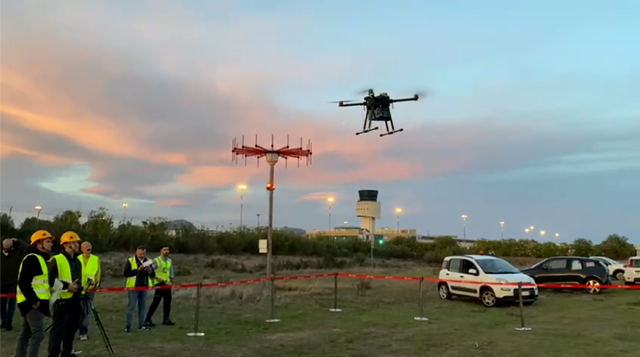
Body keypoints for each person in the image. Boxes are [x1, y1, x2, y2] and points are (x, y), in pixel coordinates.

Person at [14, 230, 54, 357]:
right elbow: (24, 282)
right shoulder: (32, 259)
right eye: (47, 242)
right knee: (38, 334)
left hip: (32, 302)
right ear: (38, 244)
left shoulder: (40, 258)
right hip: (32, 303)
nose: (51, 244)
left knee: (26, 334)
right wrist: (34, 301)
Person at [47, 231, 86, 357]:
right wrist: (66, 286)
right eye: (73, 242)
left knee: (71, 330)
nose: (76, 245)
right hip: (61, 300)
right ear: (65, 245)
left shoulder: (77, 261)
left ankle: (66, 353)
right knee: (58, 330)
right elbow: (50, 280)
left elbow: (78, 279)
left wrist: (80, 288)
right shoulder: (56, 260)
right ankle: (53, 354)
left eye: (76, 242)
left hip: (75, 300)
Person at [122, 245, 155, 333]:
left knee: (142, 307)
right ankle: (128, 326)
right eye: (140, 253)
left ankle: (142, 324)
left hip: (144, 286)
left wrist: (150, 270)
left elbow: (153, 275)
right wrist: (138, 270)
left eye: (143, 253)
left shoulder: (148, 261)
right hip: (133, 287)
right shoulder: (130, 260)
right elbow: (126, 273)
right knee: (131, 307)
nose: (141, 255)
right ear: (136, 252)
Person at [144, 246, 175, 327]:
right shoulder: (156, 260)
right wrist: (157, 279)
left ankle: (166, 319)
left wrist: (171, 281)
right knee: (156, 302)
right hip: (159, 284)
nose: (167, 251)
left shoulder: (169, 261)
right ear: (161, 251)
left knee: (167, 302)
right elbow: (150, 271)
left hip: (167, 284)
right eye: (165, 250)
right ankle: (147, 319)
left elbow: (171, 272)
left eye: (168, 249)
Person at [2, 237, 29, 331]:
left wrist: (18, 240)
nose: (5, 250)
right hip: (1, 283)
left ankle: (9, 322)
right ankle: (4, 321)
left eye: (7, 248)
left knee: (12, 302)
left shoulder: (18, 253)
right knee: (2, 304)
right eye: (4, 248)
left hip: (13, 282)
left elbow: (28, 248)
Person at [77, 241, 101, 341]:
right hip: (78, 289)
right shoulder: (77, 259)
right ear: (81, 249)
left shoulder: (95, 259)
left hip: (90, 289)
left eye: (90, 246)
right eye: (86, 246)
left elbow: (98, 272)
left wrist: (96, 284)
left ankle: (83, 332)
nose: (88, 248)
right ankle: (74, 329)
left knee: (86, 311)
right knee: (77, 311)